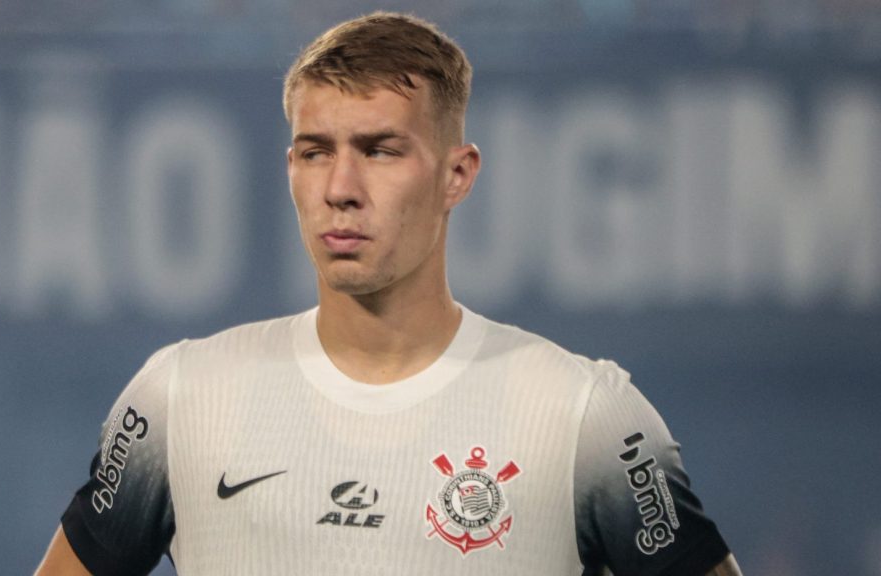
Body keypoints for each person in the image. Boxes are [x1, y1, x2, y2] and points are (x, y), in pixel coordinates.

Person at [36, 12, 742, 576]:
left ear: (456, 175)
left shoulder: (584, 416)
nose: (340, 189)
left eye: (380, 150)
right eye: (316, 152)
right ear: (290, 168)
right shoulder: (178, 397)